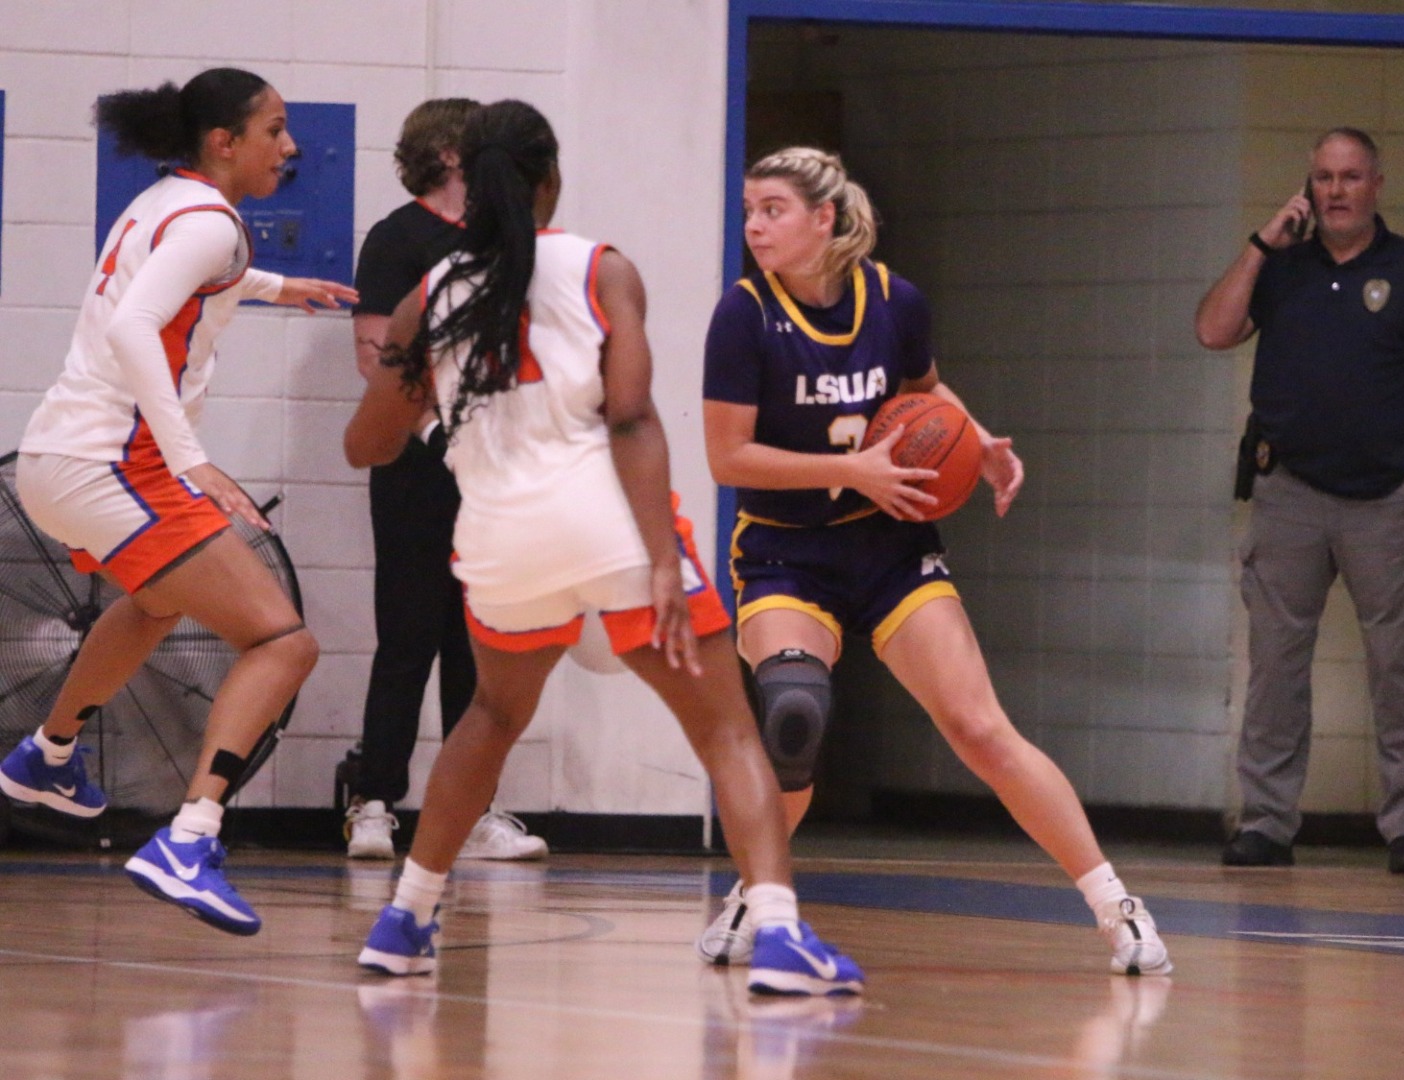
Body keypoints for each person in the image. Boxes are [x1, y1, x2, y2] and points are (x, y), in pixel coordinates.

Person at [344, 101, 862, 995]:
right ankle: (778, 934)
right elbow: (629, 415)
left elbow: (369, 446)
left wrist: (422, 386)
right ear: (549, 178)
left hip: (500, 540)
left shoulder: (428, 296)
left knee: (490, 719)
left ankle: (404, 919)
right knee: (729, 731)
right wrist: (662, 556)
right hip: (606, 522)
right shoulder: (599, 268)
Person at [699, 146, 1172, 977]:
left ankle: (1116, 906)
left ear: (825, 219)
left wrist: (979, 442)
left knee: (980, 728)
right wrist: (851, 472)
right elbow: (728, 457)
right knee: (794, 715)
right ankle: (759, 896)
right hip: (786, 552)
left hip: (889, 547)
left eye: (772, 210)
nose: (755, 226)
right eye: (748, 211)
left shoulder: (896, 301)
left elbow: (925, 396)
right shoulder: (742, 314)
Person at [0, 68, 356, 933]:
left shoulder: (165, 204)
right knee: (283, 639)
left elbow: (175, 284)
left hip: (54, 460)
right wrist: (194, 462)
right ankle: (190, 838)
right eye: (275, 129)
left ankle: (47, 754)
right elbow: (133, 326)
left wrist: (277, 287)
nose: (292, 146)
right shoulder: (210, 223)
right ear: (224, 143)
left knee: (156, 603)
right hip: (116, 465)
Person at [1194, 127, 1404, 875]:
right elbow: (1214, 330)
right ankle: (1266, 823)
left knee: (1401, 667)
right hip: (1288, 495)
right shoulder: (1281, 267)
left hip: (1387, 500)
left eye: (1351, 177)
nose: (1336, 191)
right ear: (1308, 186)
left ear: (1378, 183)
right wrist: (1261, 243)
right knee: (1277, 668)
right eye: (1323, 177)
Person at [341, 97, 546, 863]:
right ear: (455, 154)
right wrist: (435, 427)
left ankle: (475, 809)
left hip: (496, 466)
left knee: (482, 635)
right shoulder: (398, 238)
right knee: (408, 629)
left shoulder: (509, 241)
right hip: (417, 461)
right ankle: (373, 800)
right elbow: (373, 356)